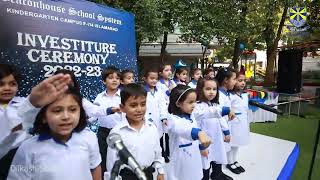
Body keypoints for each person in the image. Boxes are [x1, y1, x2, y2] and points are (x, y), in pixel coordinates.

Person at [7, 86, 101, 180]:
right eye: (57, 111)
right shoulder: (28, 148)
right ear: (43, 116)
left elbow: (95, 167)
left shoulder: (89, 137)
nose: (66, 117)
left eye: (72, 110)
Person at [105, 83, 165, 180]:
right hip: (128, 176)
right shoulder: (117, 132)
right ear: (122, 108)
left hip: (148, 174)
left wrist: (160, 171)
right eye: (133, 105)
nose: (139, 109)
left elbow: (157, 151)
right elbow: (112, 162)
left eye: (143, 104)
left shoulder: (152, 128)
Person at [166, 84, 212, 180]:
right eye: (190, 102)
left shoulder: (191, 115)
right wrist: (198, 133)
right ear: (178, 103)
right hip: (180, 160)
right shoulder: (172, 120)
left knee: (195, 175)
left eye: (195, 101)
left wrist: (225, 110)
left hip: (194, 157)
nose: (194, 105)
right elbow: (183, 129)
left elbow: (208, 112)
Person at [193, 77, 234, 180]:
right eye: (208, 89)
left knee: (217, 156)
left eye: (214, 89)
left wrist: (226, 132)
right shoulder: (197, 106)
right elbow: (198, 126)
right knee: (205, 162)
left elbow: (221, 119)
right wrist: (202, 146)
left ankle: (217, 174)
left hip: (216, 138)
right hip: (205, 141)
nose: (211, 92)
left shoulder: (215, 104)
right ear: (200, 89)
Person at [94, 66, 121, 175]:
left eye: (117, 78)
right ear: (104, 81)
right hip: (103, 133)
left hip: (119, 133)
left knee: (119, 159)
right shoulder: (99, 97)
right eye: (111, 78)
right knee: (104, 159)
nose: (115, 80)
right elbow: (93, 114)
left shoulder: (123, 96)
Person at [215, 67, 238, 176]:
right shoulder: (219, 95)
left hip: (224, 126)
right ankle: (216, 173)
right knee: (218, 149)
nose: (235, 81)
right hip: (219, 128)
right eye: (234, 79)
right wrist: (225, 131)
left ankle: (218, 172)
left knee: (221, 149)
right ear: (225, 80)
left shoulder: (225, 93)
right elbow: (218, 115)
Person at [227, 71, 250, 174]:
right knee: (232, 143)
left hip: (242, 123)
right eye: (240, 80)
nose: (243, 83)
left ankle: (235, 159)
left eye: (244, 81)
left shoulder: (244, 95)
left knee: (238, 143)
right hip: (233, 122)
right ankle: (229, 162)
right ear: (234, 81)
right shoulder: (230, 96)